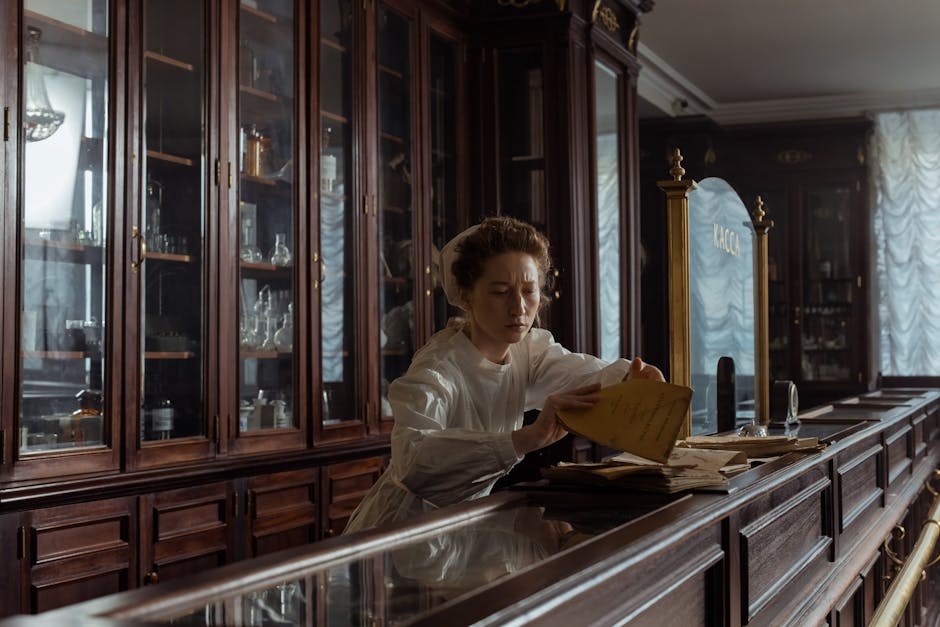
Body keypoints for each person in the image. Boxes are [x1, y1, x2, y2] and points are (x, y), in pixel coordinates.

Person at [344, 216, 664, 533]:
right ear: (467, 297)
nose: (519, 308)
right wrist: (527, 438)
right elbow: (413, 460)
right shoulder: (440, 366)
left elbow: (583, 376)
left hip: (462, 524)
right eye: (500, 292)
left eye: (529, 290)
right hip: (400, 529)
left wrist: (630, 383)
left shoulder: (528, 350)